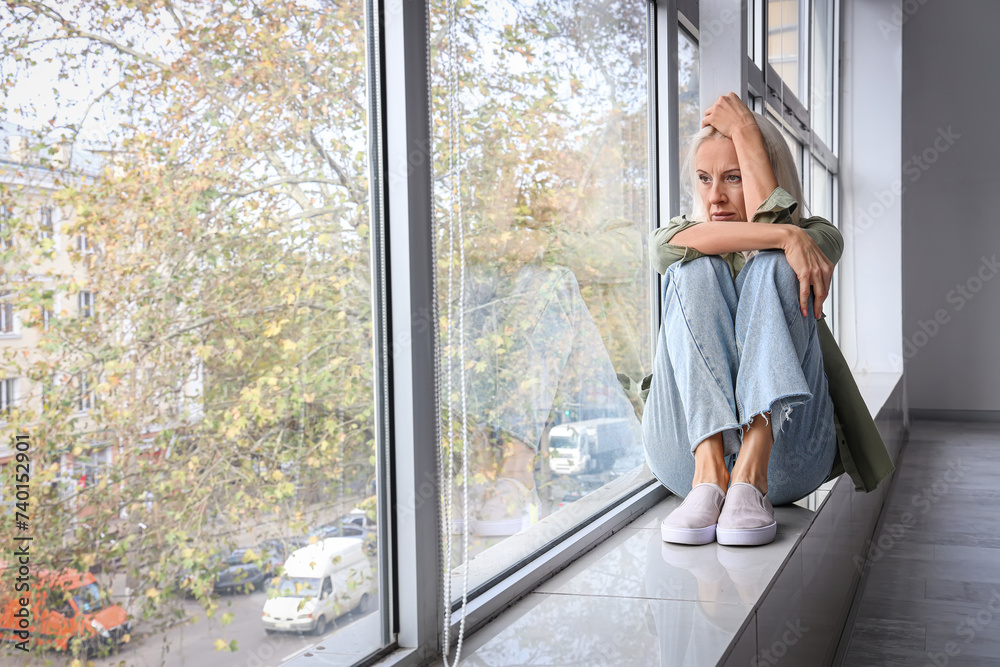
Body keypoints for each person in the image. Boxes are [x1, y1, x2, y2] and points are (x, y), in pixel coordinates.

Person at [642, 93, 862, 547]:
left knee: (780, 263)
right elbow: (770, 231)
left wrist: (747, 131)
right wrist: (782, 233)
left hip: (790, 457)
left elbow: (787, 237)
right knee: (693, 264)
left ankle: (751, 471)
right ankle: (710, 469)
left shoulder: (820, 237)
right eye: (704, 179)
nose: (715, 195)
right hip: (683, 458)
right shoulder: (679, 235)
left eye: (734, 178)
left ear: (766, 173)